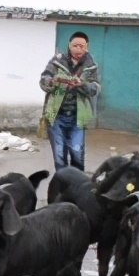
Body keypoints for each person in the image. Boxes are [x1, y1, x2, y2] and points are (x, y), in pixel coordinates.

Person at [39, 31, 101, 172]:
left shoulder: (90, 65)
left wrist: (81, 85)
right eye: (76, 46)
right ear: (69, 46)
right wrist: (51, 82)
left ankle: (77, 185)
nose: (79, 49)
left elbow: (95, 88)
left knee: (77, 153)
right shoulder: (56, 62)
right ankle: (62, 187)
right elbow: (43, 81)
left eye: (82, 46)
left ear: (87, 47)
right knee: (59, 155)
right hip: (56, 116)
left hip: (77, 117)